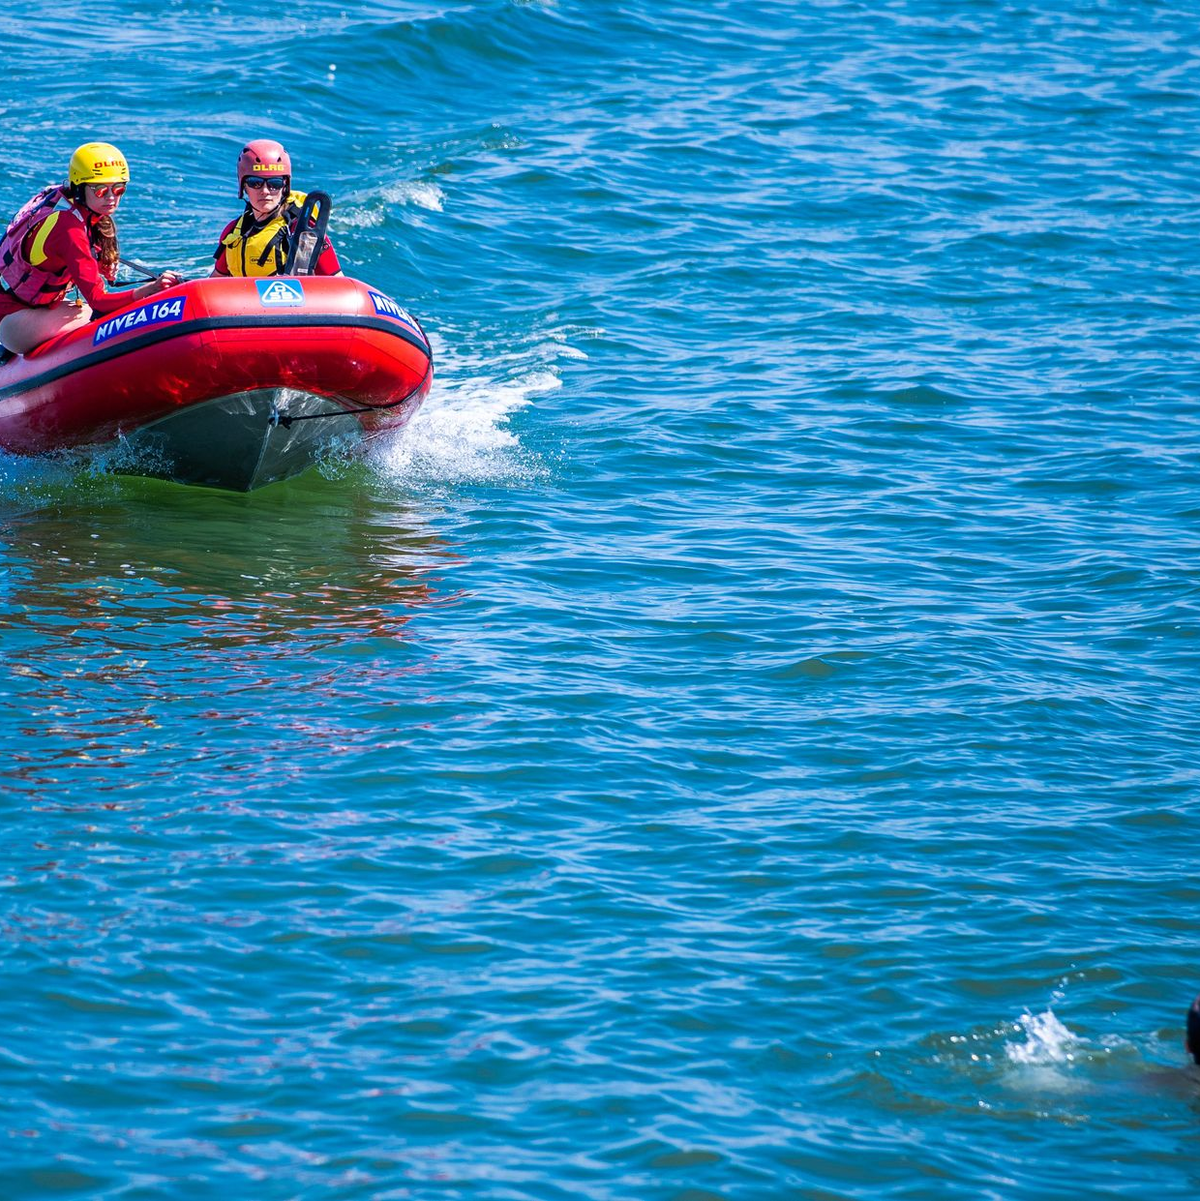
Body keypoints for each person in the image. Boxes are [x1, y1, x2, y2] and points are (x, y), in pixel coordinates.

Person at [0, 142, 180, 358]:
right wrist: (147, 291)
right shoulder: (69, 229)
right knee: (94, 314)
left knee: (85, 308)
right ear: (80, 188)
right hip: (12, 320)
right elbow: (99, 302)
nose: (111, 198)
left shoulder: (63, 200)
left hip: (31, 306)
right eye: (101, 190)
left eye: (119, 189)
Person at [211, 140, 341, 278]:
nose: (265, 191)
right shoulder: (232, 233)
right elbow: (213, 284)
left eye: (275, 183)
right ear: (243, 186)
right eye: (255, 183)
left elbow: (340, 285)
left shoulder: (304, 232)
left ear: (285, 186)